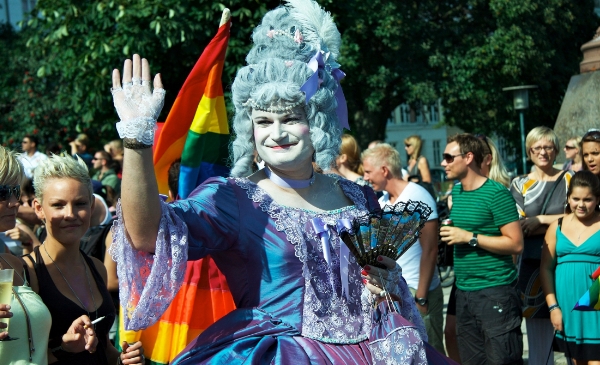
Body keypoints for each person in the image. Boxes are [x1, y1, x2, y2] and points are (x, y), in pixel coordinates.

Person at [107, 1, 453, 364]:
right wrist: (136, 141)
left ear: (316, 120)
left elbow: (381, 281)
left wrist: (382, 284)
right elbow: (147, 235)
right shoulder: (232, 199)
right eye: (263, 121)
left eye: (290, 118)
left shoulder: (359, 197)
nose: (277, 134)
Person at [23, 154, 144, 365]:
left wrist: (124, 360)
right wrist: (63, 348)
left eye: (80, 203)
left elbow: (104, 349)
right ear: (39, 208)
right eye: (58, 205)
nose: (70, 214)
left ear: (91, 206)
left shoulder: (97, 267)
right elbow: (18, 356)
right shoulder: (27, 273)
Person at [0, 145, 100, 364]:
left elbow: (32, 351)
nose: (14, 202)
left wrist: (65, 346)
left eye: (15, 192)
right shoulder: (29, 267)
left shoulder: (12, 264)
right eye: (2, 193)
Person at [439, 133, 524, 364]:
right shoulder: (456, 192)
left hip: (495, 291)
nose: (443, 162)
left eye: (448, 157)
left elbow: (515, 243)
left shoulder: (497, 194)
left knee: (502, 360)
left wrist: (469, 237)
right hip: (464, 291)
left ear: (468, 157)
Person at [362, 143, 444, 355]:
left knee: (430, 352)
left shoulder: (417, 196)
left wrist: (422, 297)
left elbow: (431, 250)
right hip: (396, 291)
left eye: (368, 171)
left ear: (384, 170)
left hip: (419, 289)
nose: (365, 177)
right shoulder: (382, 201)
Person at [510, 127, 572, 365]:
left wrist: (541, 221)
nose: (543, 152)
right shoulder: (519, 183)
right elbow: (519, 224)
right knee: (538, 342)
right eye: (537, 147)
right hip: (531, 265)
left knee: (570, 330)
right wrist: (559, 220)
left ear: (556, 150)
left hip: (564, 260)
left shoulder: (570, 180)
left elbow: (579, 219)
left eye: (548, 147)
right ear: (529, 151)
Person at [540, 170, 600, 364]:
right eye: (576, 198)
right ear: (568, 198)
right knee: (576, 361)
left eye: (588, 199)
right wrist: (553, 307)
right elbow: (546, 269)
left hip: (597, 304)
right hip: (567, 307)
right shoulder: (556, 227)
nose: (581, 205)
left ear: (597, 199)